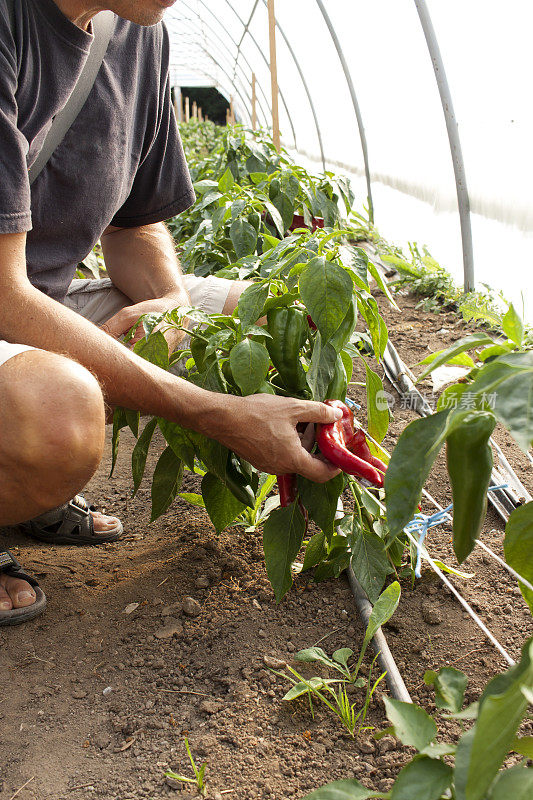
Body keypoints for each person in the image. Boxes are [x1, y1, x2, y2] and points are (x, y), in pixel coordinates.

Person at [0, 0, 341, 625]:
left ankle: (22, 487)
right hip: (8, 295)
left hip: (35, 301)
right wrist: (218, 413)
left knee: (267, 318)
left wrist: (175, 302)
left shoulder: (136, 32)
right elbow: (3, 293)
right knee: (57, 412)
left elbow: (135, 222)